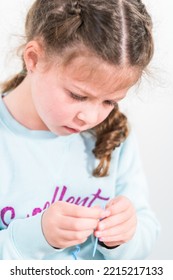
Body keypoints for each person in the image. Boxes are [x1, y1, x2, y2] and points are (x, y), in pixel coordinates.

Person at [0, 0, 160, 260]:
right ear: (33, 59)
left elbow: (146, 232)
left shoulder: (113, 134)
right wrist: (36, 236)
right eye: (77, 95)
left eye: (109, 101)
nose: (90, 117)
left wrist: (125, 235)